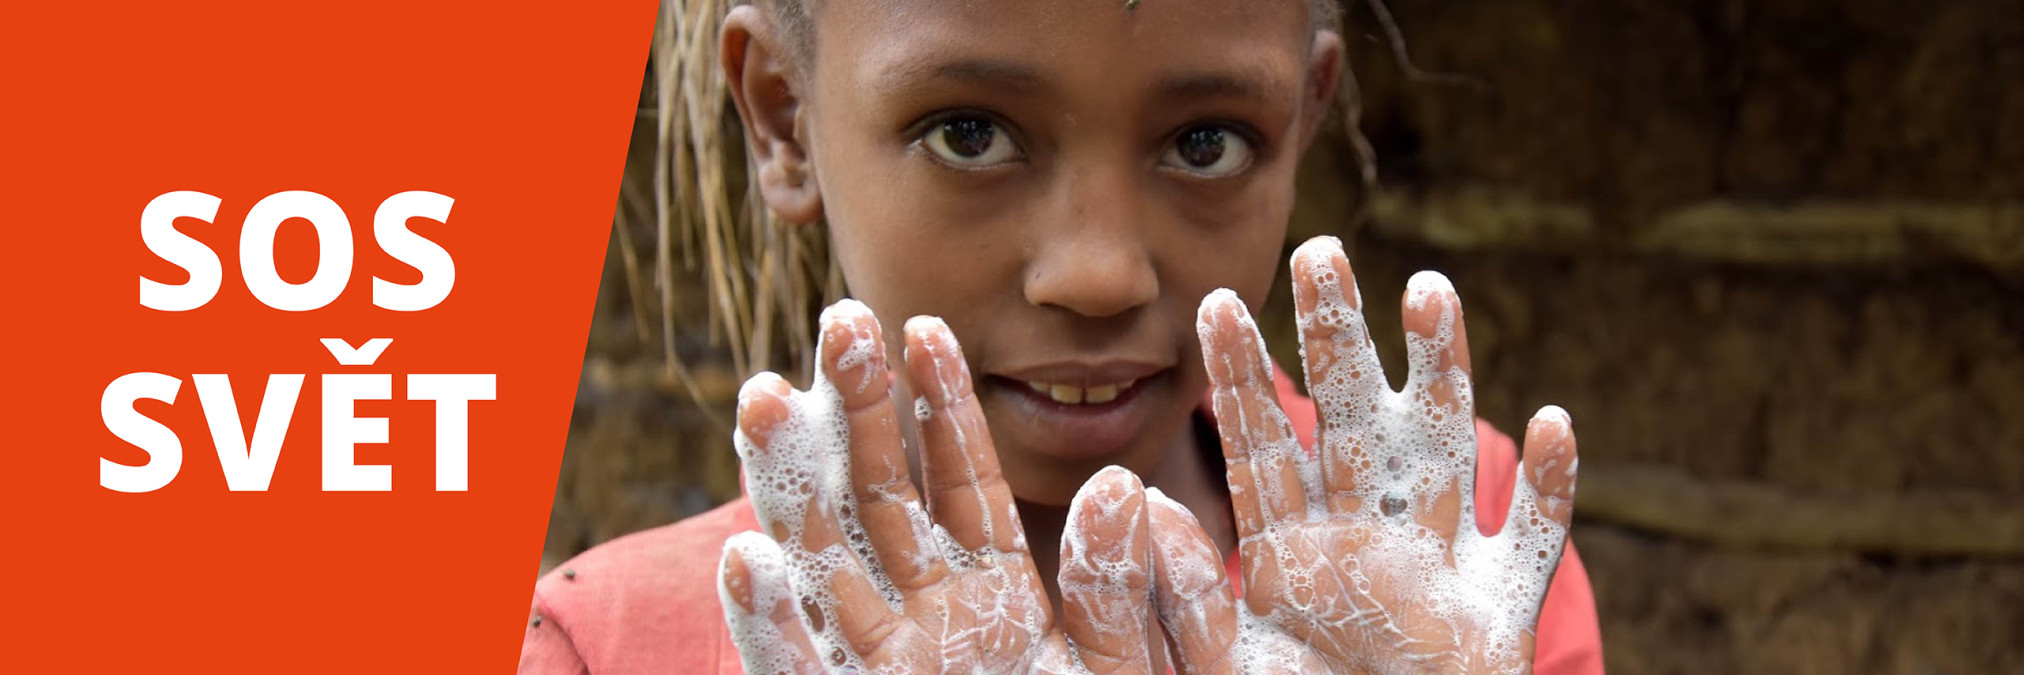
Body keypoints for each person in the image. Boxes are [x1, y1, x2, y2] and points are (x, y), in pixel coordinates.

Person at [520, 0, 1603, 673]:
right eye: (969, 132)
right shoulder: (609, 645)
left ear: (1302, 117)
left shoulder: (1456, 560)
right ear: (781, 117)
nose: (1098, 274)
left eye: (1205, 141)